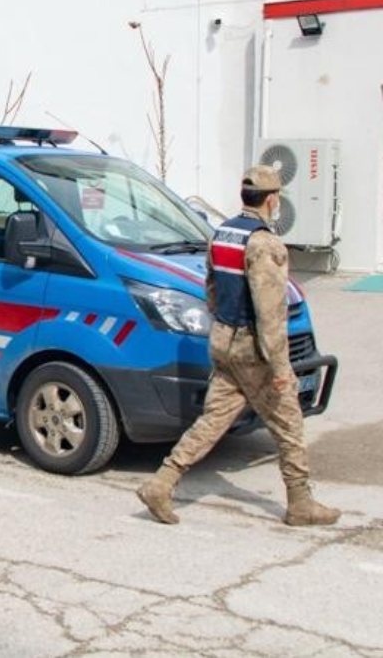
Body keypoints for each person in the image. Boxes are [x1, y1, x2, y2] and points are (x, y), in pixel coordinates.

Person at [136, 166, 340, 527]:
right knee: (288, 421)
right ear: (273, 199)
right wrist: (280, 369)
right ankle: (300, 502)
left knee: (213, 420)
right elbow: (270, 312)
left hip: (222, 339)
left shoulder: (223, 234)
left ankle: (161, 482)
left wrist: (223, 323)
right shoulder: (265, 244)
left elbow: (211, 287)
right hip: (251, 348)